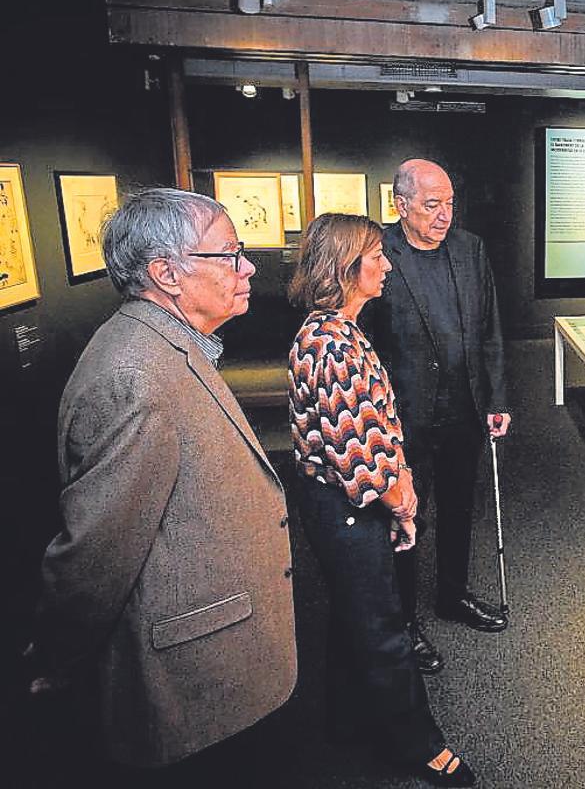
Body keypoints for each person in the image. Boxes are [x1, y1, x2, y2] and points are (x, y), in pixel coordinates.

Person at [29, 188, 297, 769]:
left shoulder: (166, 347)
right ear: (166, 274)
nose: (247, 266)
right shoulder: (136, 378)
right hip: (189, 681)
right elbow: (95, 552)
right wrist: (56, 661)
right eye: (228, 254)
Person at [287, 213, 474, 787]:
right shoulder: (332, 345)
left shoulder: (334, 331)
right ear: (345, 268)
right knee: (384, 626)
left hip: (337, 503)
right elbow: (361, 455)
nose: (387, 263)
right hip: (349, 507)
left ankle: (344, 719)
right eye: (375, 256)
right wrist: (403, 502)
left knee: (353, 614)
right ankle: (417, 744)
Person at [364, 159, 511, 675]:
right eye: (432, 205)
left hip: (463, 407)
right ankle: (403, 622)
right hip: (403, 414)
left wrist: (496, 398)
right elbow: (365, 340)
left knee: (457, 508)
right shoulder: (376, 253)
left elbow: (490, 328)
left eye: (449, 202)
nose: (445, 214)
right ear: (399, 205)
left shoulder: (470, 250)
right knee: (404, 515)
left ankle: (452, 595)